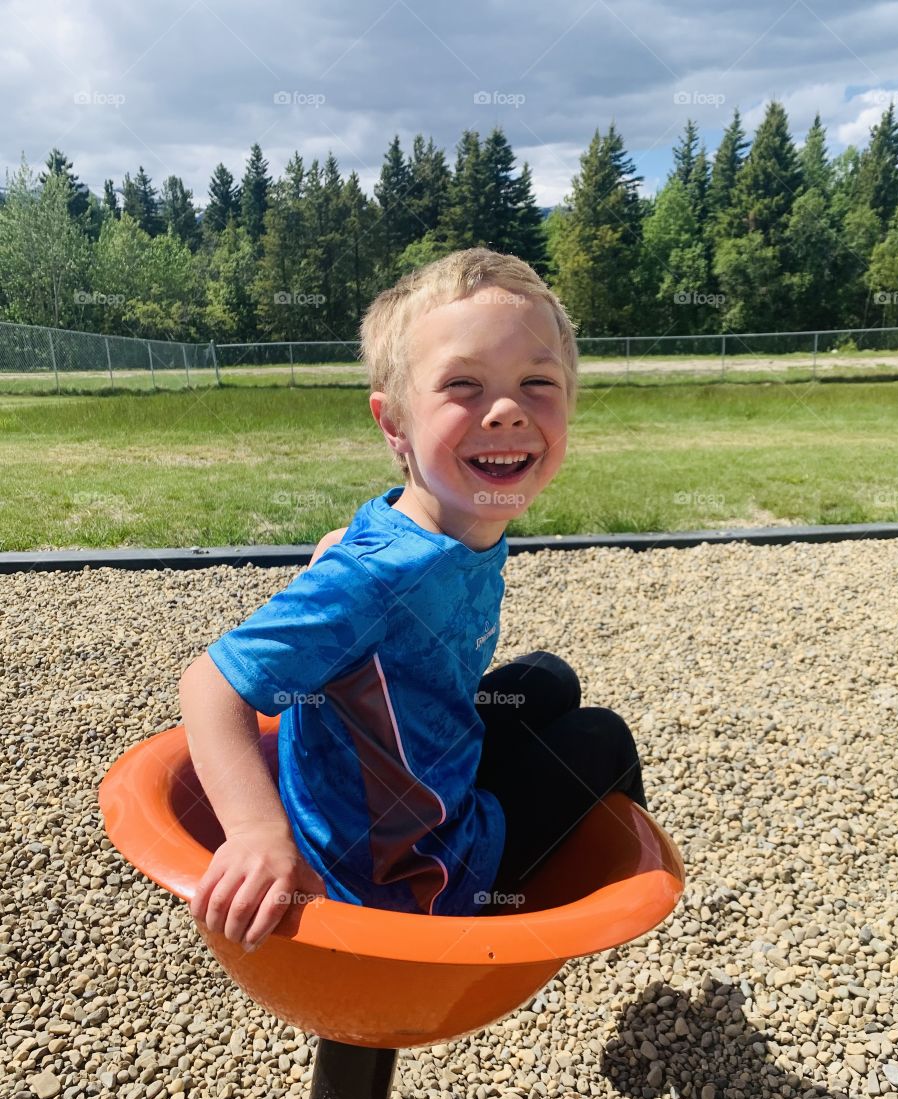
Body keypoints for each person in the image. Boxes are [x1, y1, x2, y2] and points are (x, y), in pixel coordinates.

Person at [179, 247, 648, 952]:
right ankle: (562, 914)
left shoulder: (441, 515)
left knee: (548, 678)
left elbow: (348, 552)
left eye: (536, 382)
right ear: (394, 423)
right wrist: (257, 833)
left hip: (404, 787)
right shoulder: (384, 575)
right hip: (403, 879)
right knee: (601, 738)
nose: (506, 411)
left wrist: (331, 561)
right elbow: (210, 684)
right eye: (464, 384)